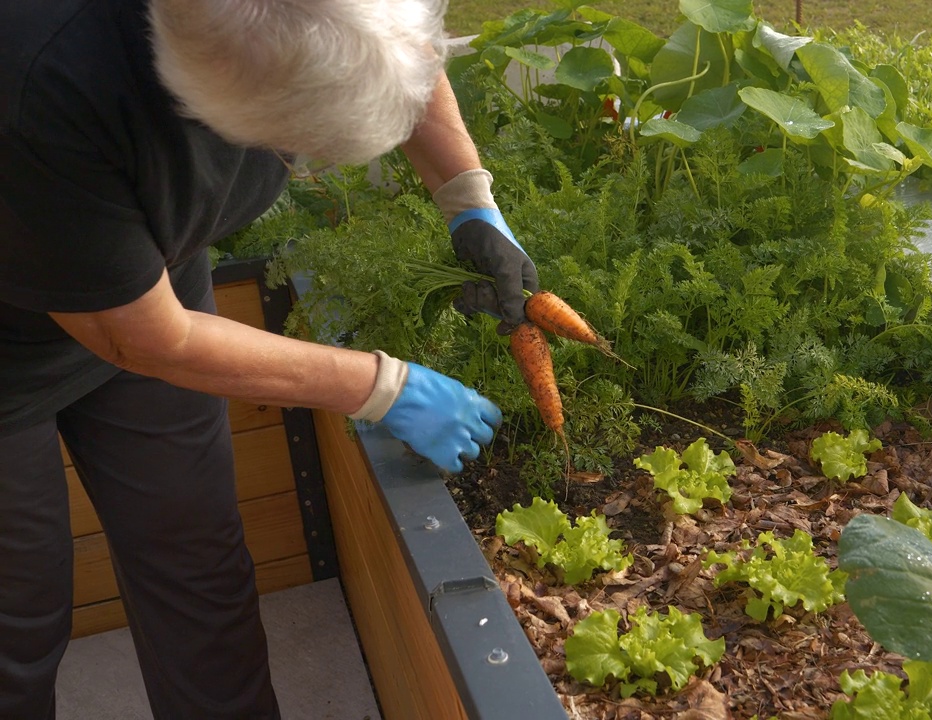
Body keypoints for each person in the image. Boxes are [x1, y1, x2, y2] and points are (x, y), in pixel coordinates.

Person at [0, 0, 537, 717]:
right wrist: (379, 385)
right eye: (296, 146)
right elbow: (148, 338)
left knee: (197, 557)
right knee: (20, 609)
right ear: (200, 102)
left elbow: (398, 44)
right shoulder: (41, 77)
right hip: (55, 322)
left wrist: (468, 197)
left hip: (144, 268)